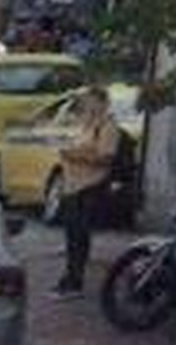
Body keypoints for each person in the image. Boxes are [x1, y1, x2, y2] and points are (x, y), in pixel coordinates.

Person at [50, 85, 126, 295]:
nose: (87, 105)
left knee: (79, 235)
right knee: (71, 235)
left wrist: (74, 155)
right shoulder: (83, 123)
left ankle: (75, 281)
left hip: (90, 185)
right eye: (85, 101)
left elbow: (106, 157)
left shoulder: (107, 126)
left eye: (91, 101)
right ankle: (70, 277)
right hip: (72, 185)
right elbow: (57, 129)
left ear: (103, 103)